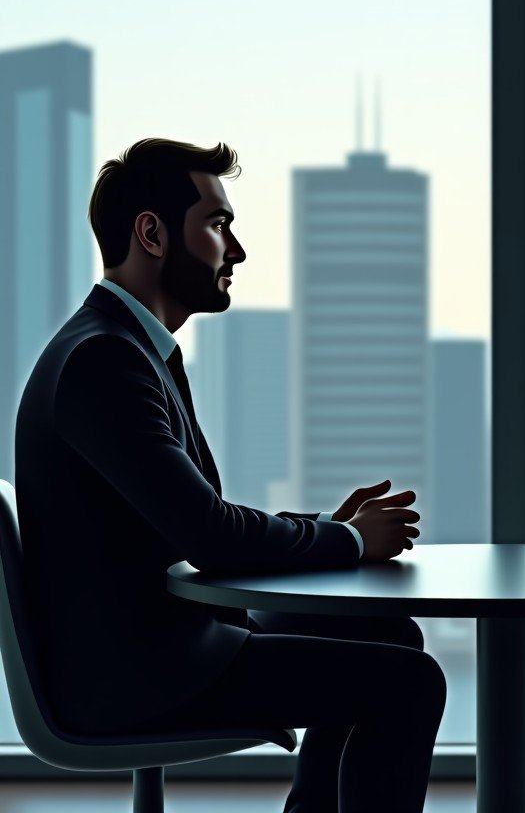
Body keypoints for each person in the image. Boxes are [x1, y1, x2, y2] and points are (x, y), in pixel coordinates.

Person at [15, 138, 444, 813]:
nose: (236, 251)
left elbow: (194, 516)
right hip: (144, 673)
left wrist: (329, 528)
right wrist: (353, 541)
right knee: (410, 682)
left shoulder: (122, 348)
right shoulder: (104, 362)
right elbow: (211, 535)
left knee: (387, 634)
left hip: (161, 642)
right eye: (218, 225)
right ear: (152, 234)